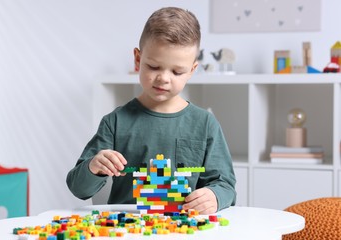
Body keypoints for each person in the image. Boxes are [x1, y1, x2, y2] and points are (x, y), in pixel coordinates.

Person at [67, 6, 236, 214]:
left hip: (185, 233)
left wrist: (215, 196)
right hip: (129, 232)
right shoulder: (115, 122)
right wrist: (94, 166)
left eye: (177, 71)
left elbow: (226, 185)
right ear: (138, 59)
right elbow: (78, 188)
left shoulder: (205, 124)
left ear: (192, 70)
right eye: (154, 67)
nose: (164, 78)